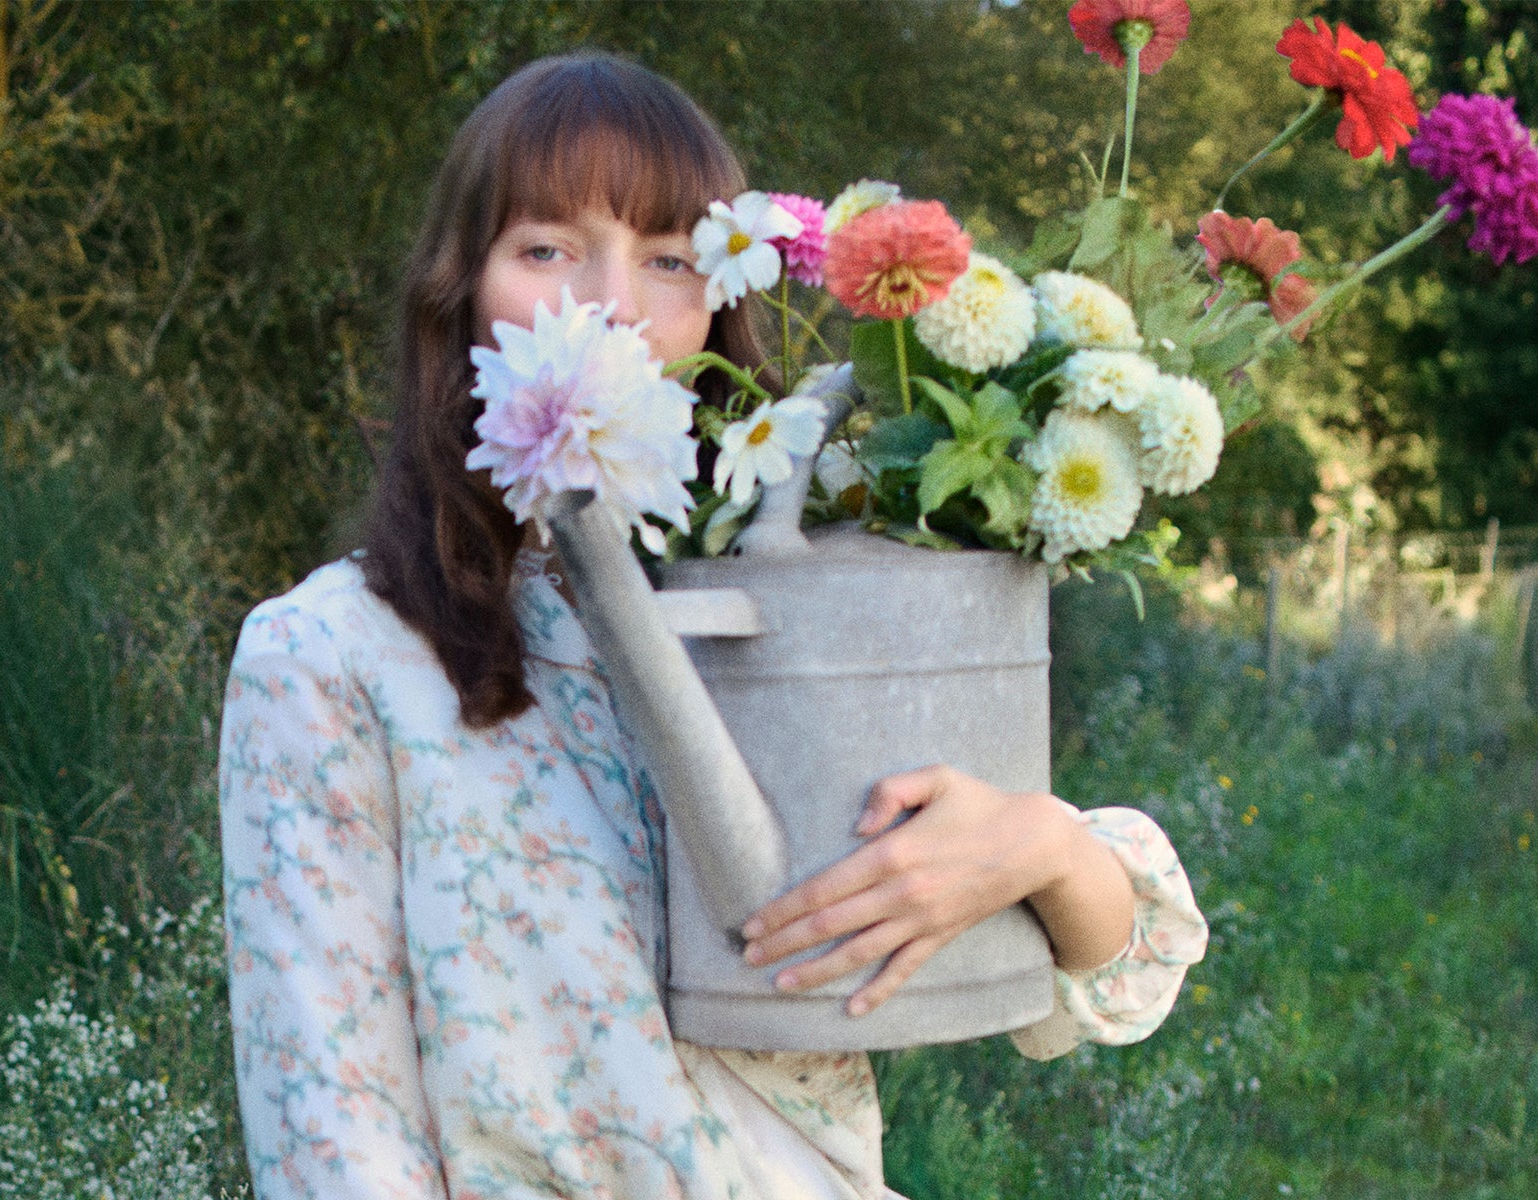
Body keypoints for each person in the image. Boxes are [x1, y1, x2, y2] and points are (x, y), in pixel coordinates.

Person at [218, 52, 1207, 1200]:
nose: (611, 305)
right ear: (459, 295)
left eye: (669, 259)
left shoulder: (784, 601)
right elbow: (334, 1144)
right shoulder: (330, 657)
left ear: (720, 310)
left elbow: (1123, 971)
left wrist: (1037, 846)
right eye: (546, 250)